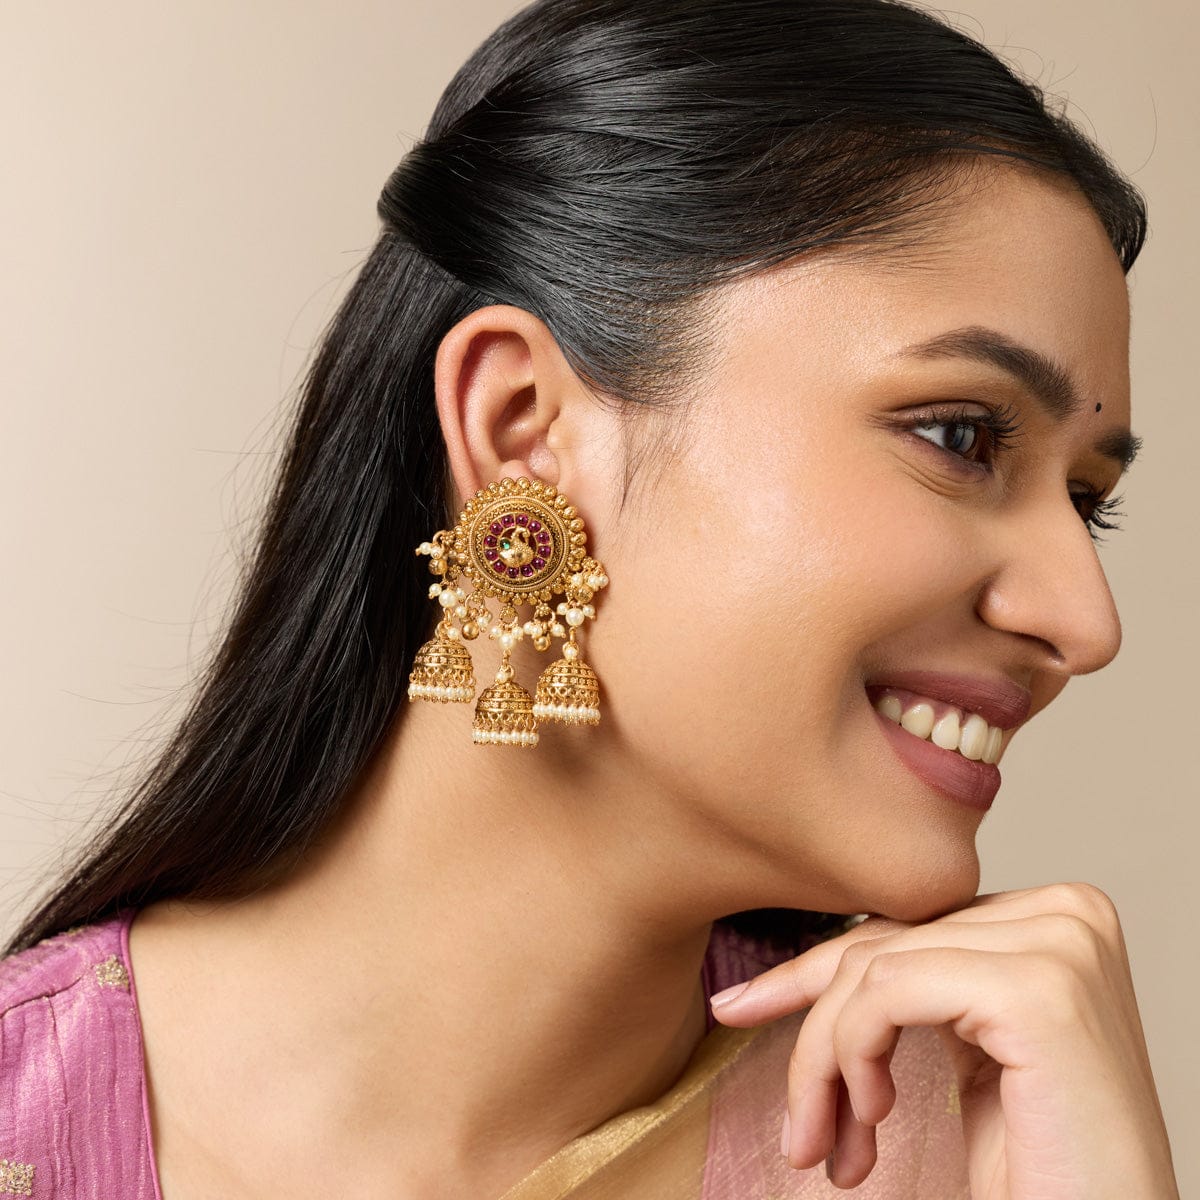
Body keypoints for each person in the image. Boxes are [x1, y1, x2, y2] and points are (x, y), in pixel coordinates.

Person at [0, 0, 1180, 1196]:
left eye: (1087, 501)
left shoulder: (983, 1149)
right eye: (960, 435)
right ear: (523, 432)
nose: (1085, 623)